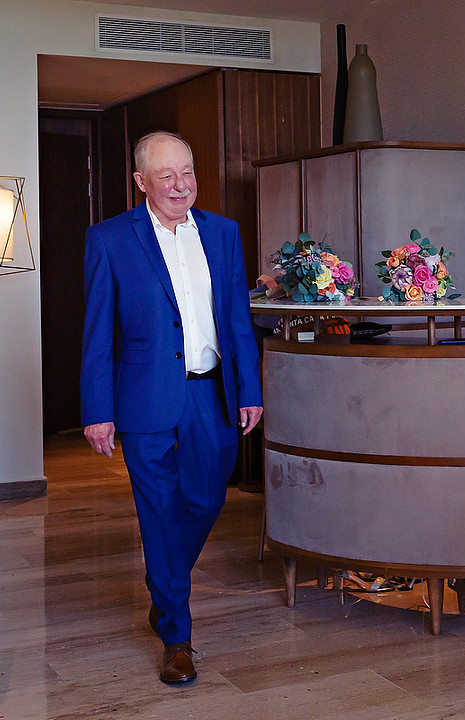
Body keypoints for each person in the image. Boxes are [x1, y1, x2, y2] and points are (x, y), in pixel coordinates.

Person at [81, 131, 263, 685]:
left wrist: (250, 389)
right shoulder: (110, 239)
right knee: (158, 513)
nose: (182, 185)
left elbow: (236, 317)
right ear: (141, 182)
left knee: (207, 499)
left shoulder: (224, 234)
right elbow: (97, 333)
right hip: (144, 399)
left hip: (212, 392)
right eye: (167, 176)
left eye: (188, 172)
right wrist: (97, 409)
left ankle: (163, 586)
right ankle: (177, 638)